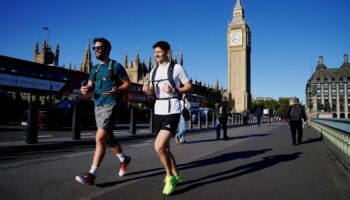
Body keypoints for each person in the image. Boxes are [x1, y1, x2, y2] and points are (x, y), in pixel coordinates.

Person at [75, 37, 131, 185]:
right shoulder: (95, 69)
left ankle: (91, 174)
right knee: (108, 137)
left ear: (107, 49)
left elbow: (127, 84)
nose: (96, 50)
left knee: (99, 138)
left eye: (99, 47)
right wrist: (84, 89)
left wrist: (117, 89)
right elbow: (89, 85)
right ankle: (124, 159)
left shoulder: (116, 66)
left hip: (111, 104)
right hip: (98, 105)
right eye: (95, 48)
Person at [143, 41, 192, 195]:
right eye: (154, 53)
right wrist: (147, 91)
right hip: (158, 111)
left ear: (167, 52)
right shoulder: (153, 72)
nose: (156, 55)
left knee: (158, 147)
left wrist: (174, 89)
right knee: (165, 149)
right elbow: (152, 93)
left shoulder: (177, 68)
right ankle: (178, 175)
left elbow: (189, 87)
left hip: (173, 110)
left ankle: (169, 177)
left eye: (159, 52)